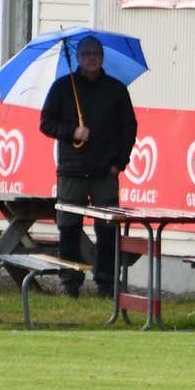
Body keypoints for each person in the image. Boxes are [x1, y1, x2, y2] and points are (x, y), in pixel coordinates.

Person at [39, 36, 138, 298]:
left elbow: (129, 127)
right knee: (68, 227)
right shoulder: (62, 87)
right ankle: (70, 281)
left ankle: (106, 282)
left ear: (102, 58)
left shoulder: (116, 89)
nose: (91, 58)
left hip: (105, 171)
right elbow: (46, 123)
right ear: (79, 58)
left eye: (95, 54)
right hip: (72, 170)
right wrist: (72, 131)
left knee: (107, 228)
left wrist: (120, 163)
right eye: (86, 54)